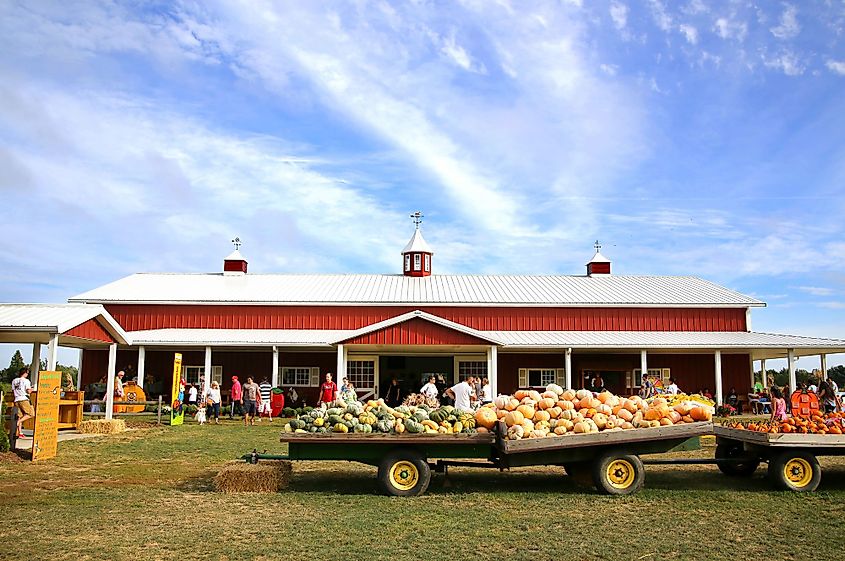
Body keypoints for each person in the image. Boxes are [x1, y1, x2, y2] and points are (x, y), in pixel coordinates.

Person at [11, 367, 34, 438]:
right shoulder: (26, 381)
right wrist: (32, 389)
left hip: (16, 399)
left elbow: (13, 390)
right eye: (27, 373)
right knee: (31, 414)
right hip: (24, 398)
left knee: (19, 416)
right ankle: (18, 423)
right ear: (25, 373)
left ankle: (19, 432)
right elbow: (28, 391)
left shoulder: (14, 380)